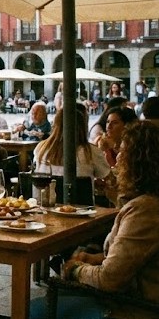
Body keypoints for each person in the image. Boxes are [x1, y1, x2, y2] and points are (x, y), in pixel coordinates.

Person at [60, 120, 159, 318]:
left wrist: (76, 269)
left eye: (123, 151)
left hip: (133, 308)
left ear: (140, 161)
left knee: (32, 306)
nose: (119, 157)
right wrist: (94, 259)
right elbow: (134, 259)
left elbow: (109, 280)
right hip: (135, 297)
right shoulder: (146, 204)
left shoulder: (145, 210)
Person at [33, 103, 111, 190]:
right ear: (82, 126)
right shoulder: (90, 152)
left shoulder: (40, 148)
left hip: (44, 201)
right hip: (79, 202)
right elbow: (109, 178)